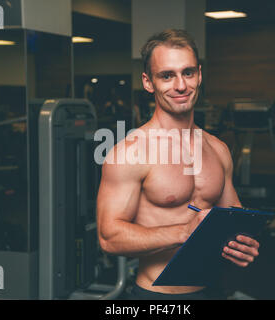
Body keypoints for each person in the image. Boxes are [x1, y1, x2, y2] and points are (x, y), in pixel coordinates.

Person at [96, 29, 260, 300]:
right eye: (167, 75)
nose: (181, 85)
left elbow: (234, 219)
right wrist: (183, 232)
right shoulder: (129, 152)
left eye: (188, 73)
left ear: (200, 74)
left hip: (213, 290)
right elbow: (109, 237)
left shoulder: (218, 149)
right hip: (158, 295)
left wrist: (242, 243)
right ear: (148, 82)